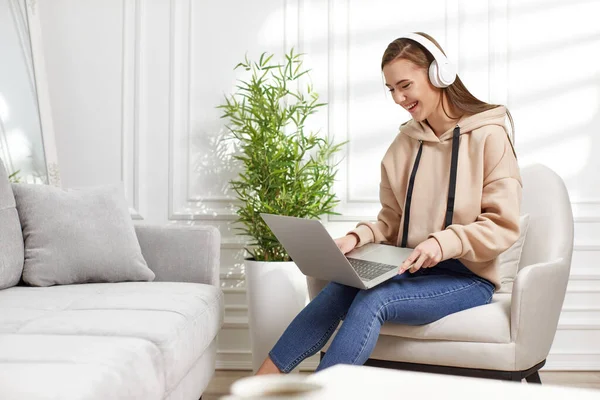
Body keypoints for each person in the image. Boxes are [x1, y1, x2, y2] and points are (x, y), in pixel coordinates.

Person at [256, 32, 522, 375]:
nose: (398, 97)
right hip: (411, 268)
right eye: (391, 89)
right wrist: (357, 238)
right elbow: (391, 221)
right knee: (341, 287)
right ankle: (259, 387)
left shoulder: (489, 135)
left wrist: (443, 243)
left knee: (374, 299)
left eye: (405, 85)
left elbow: (503, 225)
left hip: (468, 277)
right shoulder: (405, 143)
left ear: (438, 74)